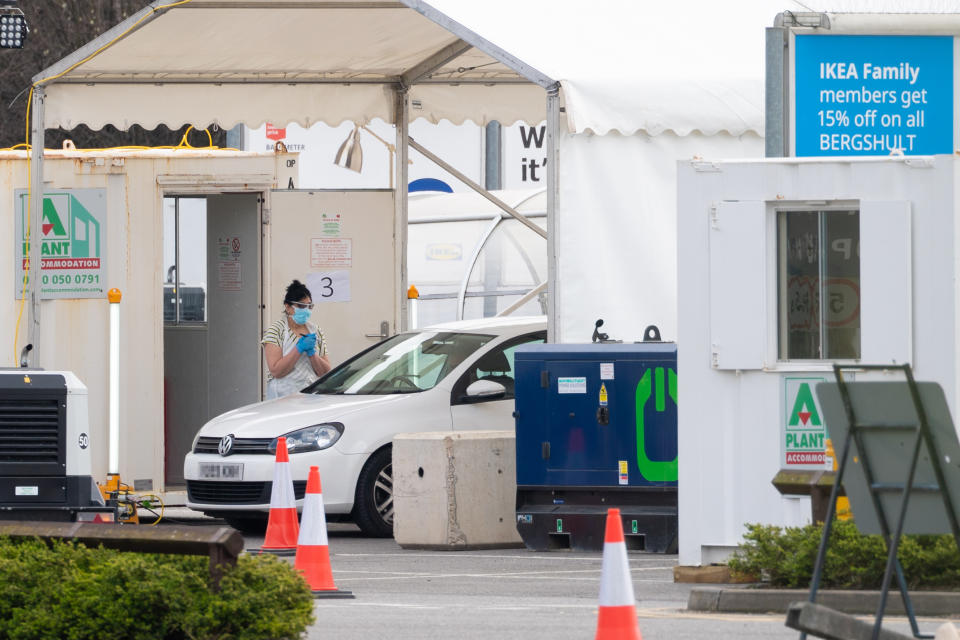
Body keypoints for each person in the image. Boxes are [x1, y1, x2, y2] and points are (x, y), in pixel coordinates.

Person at [261, 279, 332, 399]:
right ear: (288, 307)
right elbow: (276, 371)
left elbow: (325, 372)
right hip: (282, 397)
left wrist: (312, 354)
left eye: (309, 306)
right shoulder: (276, 330)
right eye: (301, 306)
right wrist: (298, 349)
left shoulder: (316, 330)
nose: (306, 310)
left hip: (310, 395)